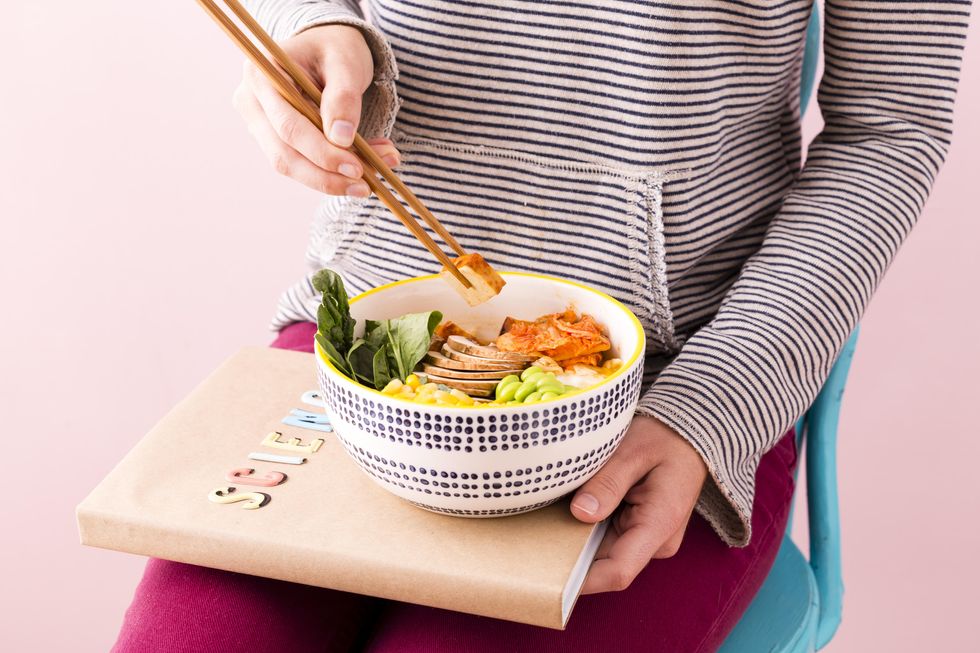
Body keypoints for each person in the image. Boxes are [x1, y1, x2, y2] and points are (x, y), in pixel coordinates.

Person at [113, 1, 969, 651]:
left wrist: (712, 408)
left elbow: (892, 124)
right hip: (370, 341)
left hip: (672, 389)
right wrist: (323, 27)